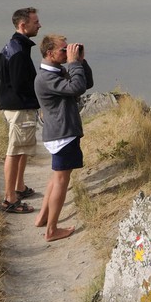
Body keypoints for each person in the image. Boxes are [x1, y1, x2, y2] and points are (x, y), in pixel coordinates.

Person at [33, 32, 93, 242]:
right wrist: (74, 63)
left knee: (56, 176)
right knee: (61, 179)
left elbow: (86, 84)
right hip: (62, 134)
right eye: (63, 49)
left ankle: (42, 216)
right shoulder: (47, 78)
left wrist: (80, 62)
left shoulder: (56, 72)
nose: (67, 52)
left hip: (60, 133)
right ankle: (51, 230)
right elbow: (76, 87)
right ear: (49, 53)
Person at [0, 7, 43, 213]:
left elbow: (3, 77)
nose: (39, 25)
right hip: (18, 107)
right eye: (35, 22)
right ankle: (9, 199)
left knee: (21, 148)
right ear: (23, 25)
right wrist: (35, 101)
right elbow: (18, 83)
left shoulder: (15, 46)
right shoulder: (18, 51)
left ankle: (19, 187)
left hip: (15, 105)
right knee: (14, 151)